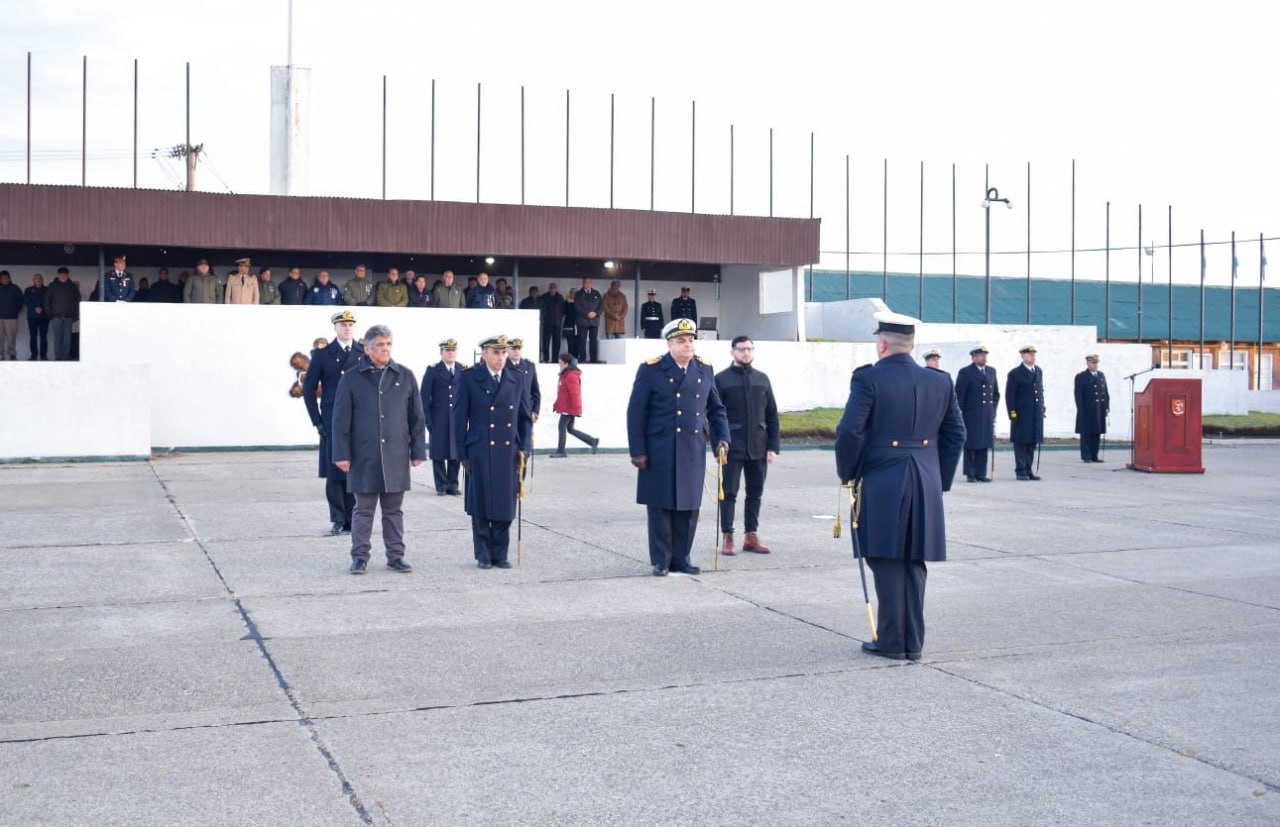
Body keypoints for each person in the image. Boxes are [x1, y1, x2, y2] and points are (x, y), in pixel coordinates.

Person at [834, 311, 965, 661]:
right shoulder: (940, 381)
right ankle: (912, 642)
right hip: (925, 480)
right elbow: (956, 434)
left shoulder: (868, 379)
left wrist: (847, 473)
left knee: (885, 557)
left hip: (881, 479)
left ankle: (892, 641)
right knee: (912, 560)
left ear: (881, 345)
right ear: (912, 345)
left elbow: (849, 431)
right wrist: (940, 480)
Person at [627, 317, 730, 577]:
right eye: (681, 341)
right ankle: (661, 559)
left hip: (691, 448)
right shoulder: (651, 370)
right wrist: (637, 451)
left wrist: (722, 438)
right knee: (660, 507)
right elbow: (636, 413)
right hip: (659, 448)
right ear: (670, 344)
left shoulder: (704, 369)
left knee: (688, 507)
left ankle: (682, 558)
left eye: (691, 340)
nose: (688, 345)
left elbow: (716, 409)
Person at [331, 324, 426, 575]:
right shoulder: (351, 377)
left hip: (395, 455)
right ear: (368, 349)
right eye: (380, 345)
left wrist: (418, 451)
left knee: (394, 511)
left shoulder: (405, 376)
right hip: (364, 456)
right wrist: (340, 454)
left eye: (388, 344)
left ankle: (396, 556)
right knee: (363, 510)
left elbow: (417, 417)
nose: (385, 349)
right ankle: (359, 557)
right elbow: (340, 420)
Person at [454, 335, 534, 569]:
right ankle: (483, 554)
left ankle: (500, 554)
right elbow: (459, 418)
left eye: (503, 353)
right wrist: (461, 453)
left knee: (505, 502)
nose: (501, 358)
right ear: (484, 354)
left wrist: (525, 447)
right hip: (479, 449)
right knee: (480, 502)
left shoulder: (516, 378)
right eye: (496, 353)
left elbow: (524, 418)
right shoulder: (470, 378)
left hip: (509, 450)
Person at [715, 336, 780, 555]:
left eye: (750, 349)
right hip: (732, 447)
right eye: (742, 349)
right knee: (729, 493)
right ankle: (728, 536)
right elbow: (713, 415)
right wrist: (718, 444)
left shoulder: (762, 379)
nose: (746, 353)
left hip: (758, 446)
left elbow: (772, 415)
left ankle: (751, 536)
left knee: (755, 493)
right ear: (732, 352)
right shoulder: (721, 380)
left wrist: (773, 446)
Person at [303, 310, 366, 535]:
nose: (347, 328)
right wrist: (316, 421)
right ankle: (338, 518)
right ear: (335, 328)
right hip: (331, 421)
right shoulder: (322, 355)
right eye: (343, 324)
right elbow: (308, 390)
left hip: (357, 420)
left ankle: (352, 518)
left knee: (354, 471)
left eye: (350, 324)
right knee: (334, 472)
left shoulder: (362, 352)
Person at [421, 338, 464, 496]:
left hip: (457, 418)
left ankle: (453, 484)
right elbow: (424, 397)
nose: (450, 353)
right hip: (439, 418)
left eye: (453, 350)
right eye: (447, 350)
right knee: (439, 453)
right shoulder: (433, 370)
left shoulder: (462, 369)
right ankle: (441, 485)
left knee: (456, 453)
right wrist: (427, 420)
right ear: (441, 352)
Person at [955, 345, 1000, 483]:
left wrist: (993, 410)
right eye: (981, 355)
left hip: (987, 414)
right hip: (971, 414)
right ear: (973, 357)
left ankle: (981, 473)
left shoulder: (991, 371)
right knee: (971, 443)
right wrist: (960, 414)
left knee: (984, 443)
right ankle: (971, 473)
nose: (984, 357)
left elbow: (996, 393)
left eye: (985, 355)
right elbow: (959, 395)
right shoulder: (965, 372)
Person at [1006, 345, 1045, 481]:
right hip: (1022, 415)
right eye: (1029, 354)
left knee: (1032, 443)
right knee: (1021, 443)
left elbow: (1040, 391)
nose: (1032, 357)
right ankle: (1020, 471)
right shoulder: (1015, 373)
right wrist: (1013, 414)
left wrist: (1042, 407)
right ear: (1022, 356)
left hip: (1035, 415)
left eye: (1034, 354)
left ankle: (1029, 470)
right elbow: (1010, 396)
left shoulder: (1038, 371)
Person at [551, 353, 598, 456]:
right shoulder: (566, 374)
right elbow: (562, 392)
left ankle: (561, 451)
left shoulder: (571, 375)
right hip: (568, 406)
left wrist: (575, 408)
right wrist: (556, 404)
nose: (559, 365)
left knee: (562, 426)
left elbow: (574, 393)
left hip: (569, 407)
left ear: (566, 363)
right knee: (570, 429)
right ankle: (592, 441)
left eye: (560, 363)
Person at [1074, 354, 1110, 463]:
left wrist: (1107, 407)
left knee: (1096, 433)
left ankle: (1095, 455)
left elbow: (1105, 393)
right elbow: (1078, 395)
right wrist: (1081, 410)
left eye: (1096, 363)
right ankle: (1086, 456)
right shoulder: (1081, 377)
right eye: (1093, 363)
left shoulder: (1101, 375)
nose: (1095, 365)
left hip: (1099, 409)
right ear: (1088, 364)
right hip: (1087, 410)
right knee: (1086, 433)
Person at [44, 268, 80, 360]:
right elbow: (47, 301)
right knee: (58, 338)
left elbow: (77, 301)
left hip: (69, 316)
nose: (63, 276)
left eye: (65, 274)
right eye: (61, 274)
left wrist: (75, 314)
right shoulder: (52, 286)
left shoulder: (72, 287)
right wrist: (49, 314)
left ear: (68, 275)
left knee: (67, 338)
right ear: (58, 275)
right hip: (56, 316)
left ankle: (66, 356)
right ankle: (58, 357)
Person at [506, 338, 541, 425]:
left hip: (526, 414)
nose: (516, 351)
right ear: (507, 349)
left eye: (519, 349)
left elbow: (535, 392)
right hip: (507, 416)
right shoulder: (502, 366)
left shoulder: (529, 366)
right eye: (513, 349)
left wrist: (535, 411)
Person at [574, 276, 603, 362]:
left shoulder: (596, 293)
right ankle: (582, 358)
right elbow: (577, 306)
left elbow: (601, 306)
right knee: (582, 340)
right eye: (585, 282)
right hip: (582, 321)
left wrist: (596, 313)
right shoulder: (578, 294)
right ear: (583, 283)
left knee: (593, 341)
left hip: (594, 321)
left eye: (589, 282)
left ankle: (593, 359)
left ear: (591, 283)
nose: (587, 284)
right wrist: (587, 313)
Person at [23, 273, 49, 360]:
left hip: (44, 316)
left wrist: (42, 308)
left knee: (43, 336)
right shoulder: (28, 290)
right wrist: (35, 308)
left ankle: (43, 355)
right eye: (36, 279)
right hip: (32, 316)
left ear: (42, 280)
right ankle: (33, 355)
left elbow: (49, 301)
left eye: (39, 279)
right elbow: (26, 300)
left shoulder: (47, 290)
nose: (38, 280)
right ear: (33, 280)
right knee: (33, 336)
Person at [538, 282, 565, 362]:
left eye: (554, 288)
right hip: (547, 323)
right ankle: (546, 358)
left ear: (556, 289)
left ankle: (555, 359)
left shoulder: (560, 297)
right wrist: (544, 318)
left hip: (557, 323)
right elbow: (541, 309)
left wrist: (559, 318)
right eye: (551, 288)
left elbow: (562, 310)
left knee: (556, 343)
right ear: (549, 288)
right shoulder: (544, 297)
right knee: (545, 342)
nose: (553, 289)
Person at [0, 271, 22, 360]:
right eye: (3, 278)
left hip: (11, 318)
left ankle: (12, 354)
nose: (5, 279)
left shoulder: (15, 288)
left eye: (6, 278)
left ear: (9, 278)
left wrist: (15, 311)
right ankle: (1, 354)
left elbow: (20, 301)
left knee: (11, 337)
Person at [561, 288, 578, 359]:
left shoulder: (579, 303)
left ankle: (576, 359)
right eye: (572, 293)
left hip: (578, 326)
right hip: (568, 326)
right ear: (569, 293)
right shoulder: (566, 303)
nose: (573, 294)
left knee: (577, 344)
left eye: (575, 293)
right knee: (570, 345)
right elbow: (565, 312)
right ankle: (570, 360)